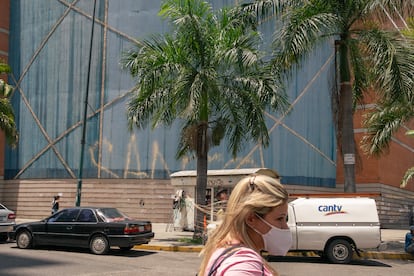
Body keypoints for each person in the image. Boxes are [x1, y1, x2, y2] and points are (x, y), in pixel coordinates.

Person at [198, 174, 292, 276]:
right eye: (279, 219)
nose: (285, 227)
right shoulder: (245, 263)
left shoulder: (224, 249)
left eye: (285, 219)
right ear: (251, 219)